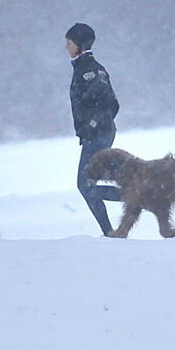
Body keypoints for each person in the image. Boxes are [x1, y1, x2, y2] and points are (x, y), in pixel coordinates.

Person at [65, 22, 122, 236]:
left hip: (98, 136)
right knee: (88, 184)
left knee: (86, 185)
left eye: (69, 42)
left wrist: (93, 126)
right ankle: (110, 231)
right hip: (97, 135)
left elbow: (111, 104)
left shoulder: (89, 71)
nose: (66, 47)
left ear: (79, 44)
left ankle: (135, 196)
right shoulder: (84, 68)